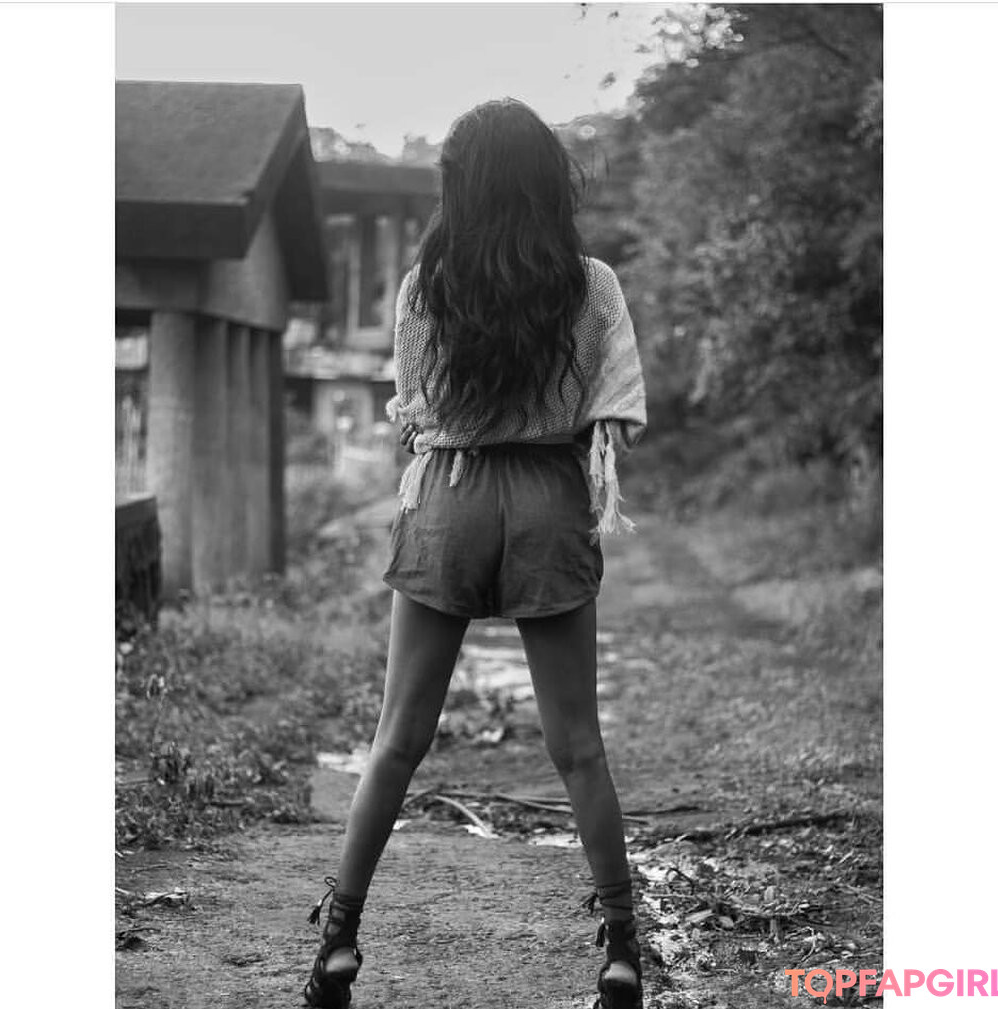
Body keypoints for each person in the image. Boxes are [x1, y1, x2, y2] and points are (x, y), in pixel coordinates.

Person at [303, 97, 648, 1009]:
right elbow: (616, 411)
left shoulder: (428, 285)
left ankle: (339, 938)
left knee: (397, 739)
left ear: (460, 185)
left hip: (448, 498)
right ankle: (621, 948)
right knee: (578, 746)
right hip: (548, 500)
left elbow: (413, 412)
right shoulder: (592, 285)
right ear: (547, 183)